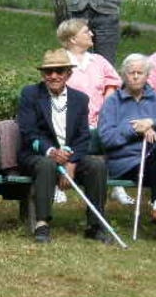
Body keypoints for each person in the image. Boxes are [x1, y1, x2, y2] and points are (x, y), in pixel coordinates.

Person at [17, 49, 109, 244]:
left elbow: (83, 136)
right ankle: (42, 224)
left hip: (70, 155)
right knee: (47, 164)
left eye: (59, 71)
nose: (54, 76)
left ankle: (95, 225)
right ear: (42, 74)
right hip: (38, 154)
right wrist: (51, 151)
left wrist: (72, 163)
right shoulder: (30, 94)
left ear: (69, 73)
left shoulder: (80, 99)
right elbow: (28, 132)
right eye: (48, 72)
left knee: (97, 165)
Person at [99, 54, 156, 242]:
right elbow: (106, 137)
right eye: (131, 73)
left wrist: (153, 123)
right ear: (124, 75)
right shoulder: (113, 102)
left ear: (147, 76)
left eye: (140, 73)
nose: (136, 76)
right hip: (126, 163)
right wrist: (135, 129)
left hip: (154, 158)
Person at [57, 18, 133, 206]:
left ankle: (117, 184)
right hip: (67, 119)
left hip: (99, 118)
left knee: (115, 134)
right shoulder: (60, 60)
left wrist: (106, 111)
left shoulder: (98, 60)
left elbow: (112, 84)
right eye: (86, 31)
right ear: (73, 39)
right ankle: (58, 185)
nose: (91, 34)